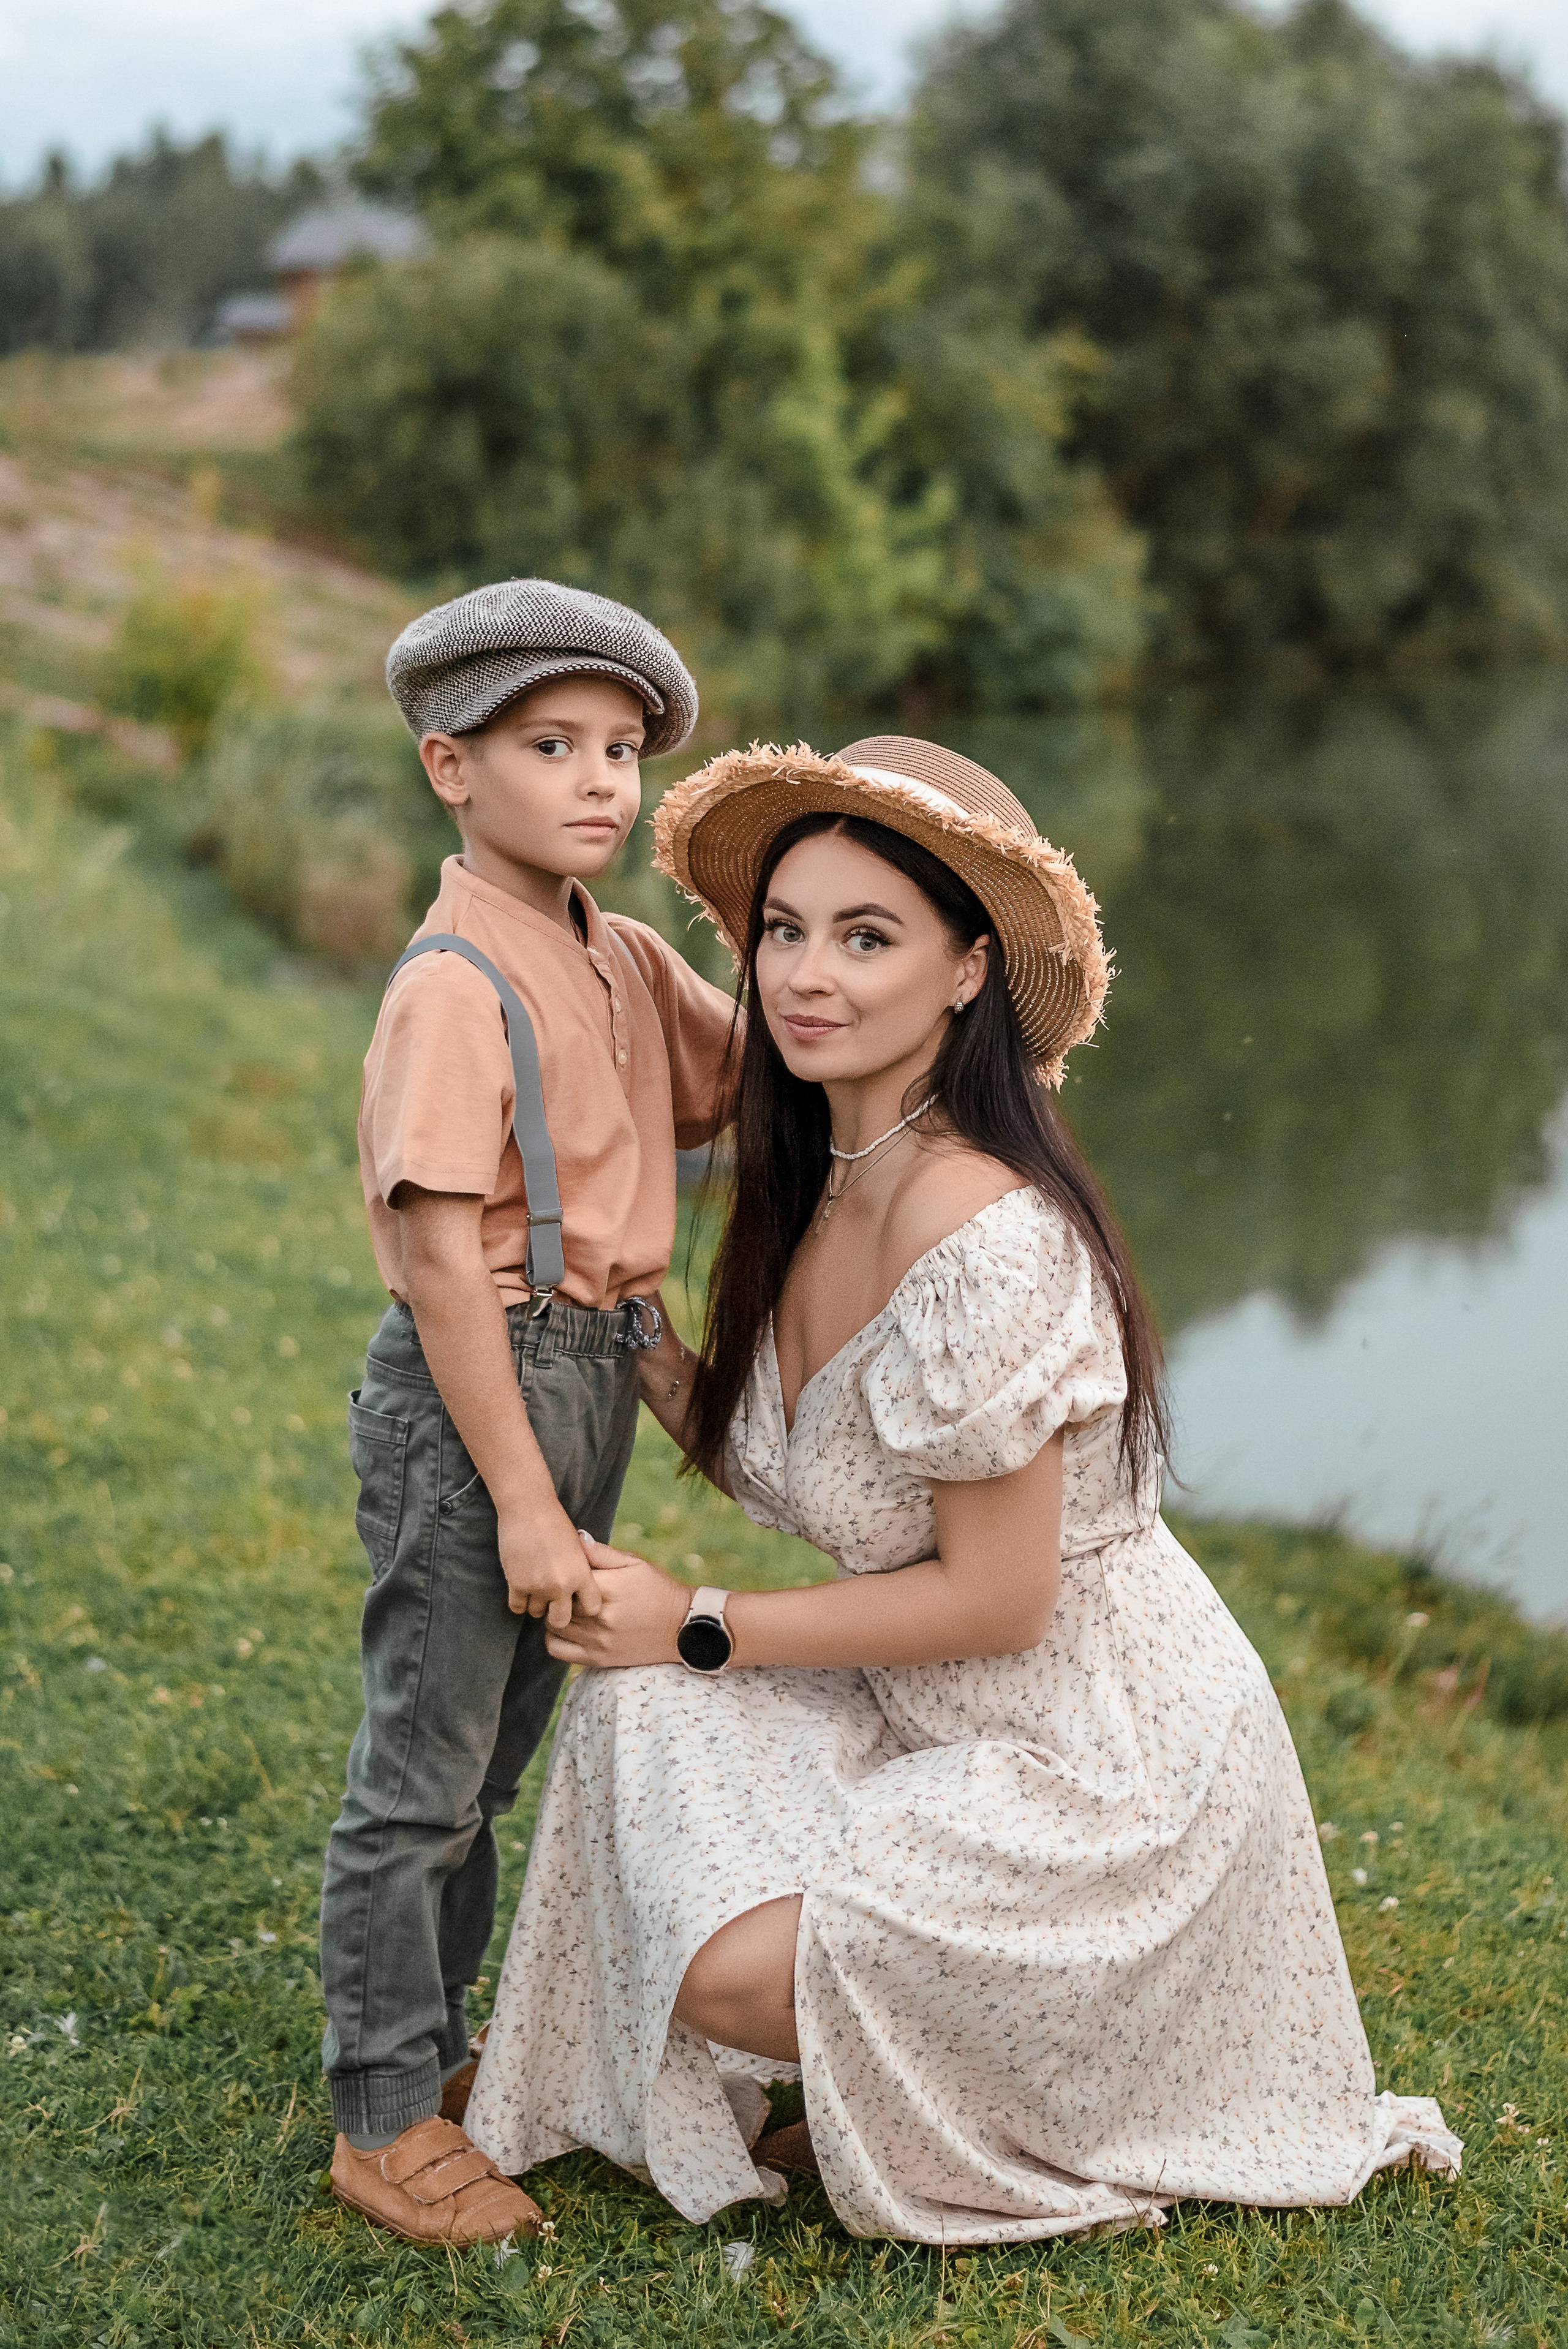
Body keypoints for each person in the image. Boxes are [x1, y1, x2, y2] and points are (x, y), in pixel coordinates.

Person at [463, 734, 1461, 2244]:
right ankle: (898, 2048)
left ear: (963, 971)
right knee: (638, 1713)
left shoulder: (981, 1234)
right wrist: (649, 1353)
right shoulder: (829, 1167)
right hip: (922, 1710)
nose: (806, 975)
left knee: (730, 1933)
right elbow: (845, 1473)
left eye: (867, 939)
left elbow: (998, 1596)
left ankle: (1018, 2076)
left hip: (1102, 1769)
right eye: (785, 931)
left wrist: (700, 1618)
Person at [321, 579, 739, 2245]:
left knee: (491, 1753)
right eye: (551, 744)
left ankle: (436, 2050)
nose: (601, 783)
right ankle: (378, 2110)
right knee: (420, 1768)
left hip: (593, 1375)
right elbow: (439, 1252)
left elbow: (757, 1078)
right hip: (473, 1393)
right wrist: (514, 1493)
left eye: (623, 750)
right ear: (449, 765)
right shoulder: (449, 981)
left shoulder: (623, 956)